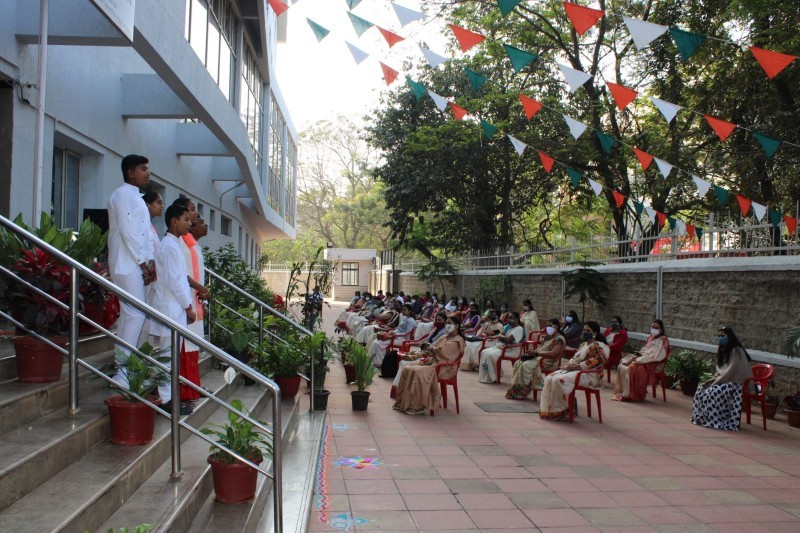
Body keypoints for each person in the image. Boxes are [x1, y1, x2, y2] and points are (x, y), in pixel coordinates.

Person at [107, 155, 155, 388]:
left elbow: (144, 234)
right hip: (126, 264)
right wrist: (143, 263)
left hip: (133, 264)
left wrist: (149, 262)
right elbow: (128, 233)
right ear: (130, 172)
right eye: (143, 169)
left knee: (129, 316)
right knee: (136, 314)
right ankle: (122, 373)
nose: (148, 173)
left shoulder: (135, 196)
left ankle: (124, 371)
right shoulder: (123, 195)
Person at [152, 204, 196, 415]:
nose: (189, 223)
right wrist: (188, 306)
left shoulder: (174, 244)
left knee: (172, 355)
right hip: (171, 307)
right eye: (186, 219)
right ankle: (166, 399)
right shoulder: (169, 246)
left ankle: (170, 397)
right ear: (174, 221)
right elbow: (174, 281)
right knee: (168, 355)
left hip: (175, 307)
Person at [393, 316, 465, 415]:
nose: (447, 325)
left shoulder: (458, 340)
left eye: (449, 323)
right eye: (446, 323)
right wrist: (430, 349)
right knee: (407, 369)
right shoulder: (445, 336)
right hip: (435, 362)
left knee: (418, 372)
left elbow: (443, 353)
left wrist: (431, 349)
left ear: (456, 326)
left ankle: (417, 406)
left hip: (445, 368)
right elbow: (433, 347)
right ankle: (404, 403)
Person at [539, 321, 609, 421]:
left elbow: (593, 362)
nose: (585, 332)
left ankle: (564, 410)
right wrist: (571, 364)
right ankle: (550, 410)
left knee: (559, 380)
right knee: (550, 377)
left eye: (588, 331)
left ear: (595, 333)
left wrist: (574, 367)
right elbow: (574, 357)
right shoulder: (584, 344)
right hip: (576, 370)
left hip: (590, 374)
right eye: (584, 330)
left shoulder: (598, 346)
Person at [691, 327, 752, 431]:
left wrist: (715, 383)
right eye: (719, 336)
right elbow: (721, 371)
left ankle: (715, 420)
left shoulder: (736, 351)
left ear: (729, 337)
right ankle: (702, 418)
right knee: (701, 389)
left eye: (722, 336)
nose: (720, 338)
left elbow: (729, 372)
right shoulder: (723, 349)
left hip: (735, 383)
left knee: (712, 392)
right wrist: (710, 381)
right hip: (725, 381)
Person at [179, 214, 210, 409]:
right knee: (186, 348)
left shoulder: (194, 246)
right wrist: (201, 289)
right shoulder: (182, 244)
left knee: (194, 347)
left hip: (196, 301)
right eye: (201, 221)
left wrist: (202, 300)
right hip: (186, 302)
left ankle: (193, 387)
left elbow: (199, 276)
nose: (205, 224)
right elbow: (183, 275)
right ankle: (186, 392)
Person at [505, 318, 565, 400]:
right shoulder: (548, 337)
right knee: (518, 363)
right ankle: (515, 391)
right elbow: (541, 348)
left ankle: (520, 392)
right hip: (539, 358)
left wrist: (537, 353)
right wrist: (533, 351)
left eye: (550, 326)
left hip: (549, 361)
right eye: (547, 326)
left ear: (556, 327)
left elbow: (554, 354)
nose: (547, 327)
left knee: (525, 365)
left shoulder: (559, 339)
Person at [612, 320, 669, 402]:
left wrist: (640, 359)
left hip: (652, 364)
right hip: (643, 359)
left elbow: (656, 356)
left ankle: (635, 395)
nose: (653, 329)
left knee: (632, 368)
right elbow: (644, 350)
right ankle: (626, 392)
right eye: (652, 327)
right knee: (622, 365)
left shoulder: (663, 340)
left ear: (661, 330)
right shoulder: (650, 338)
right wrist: (638, 355)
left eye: (656, 328)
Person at [142, 190, 164, 346]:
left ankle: (143, 352)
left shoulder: (151, 226)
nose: (162, 206)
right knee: (141, 316)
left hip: (152, 278)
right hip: (145, 277)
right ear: (148, 205)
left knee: (147, 317)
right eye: (159, 202)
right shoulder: (142, 225)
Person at [478, 312, 526, 384]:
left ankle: (493, 376)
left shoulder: (519, 329)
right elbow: (502, 336)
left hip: (511, 350)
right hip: (502, 347)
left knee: (490, 355)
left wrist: (501, 337)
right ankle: (489, 375)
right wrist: (502, 337)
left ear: (516, 319)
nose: (509, 319)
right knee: (484, 352)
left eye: (511, 318)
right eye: (508, 318)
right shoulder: (509, 326)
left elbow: (508, 340)